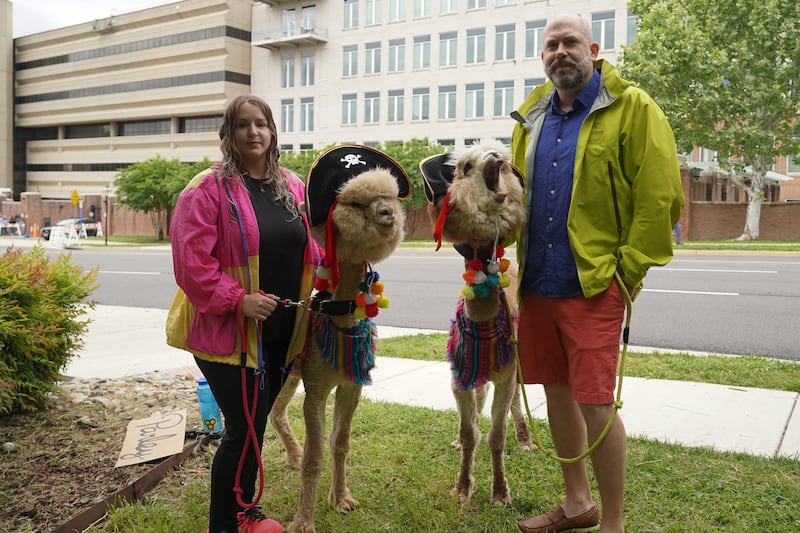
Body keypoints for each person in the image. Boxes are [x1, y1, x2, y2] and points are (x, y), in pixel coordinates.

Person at [510, 14, 684, 533]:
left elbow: (660, 200)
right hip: (537, 282)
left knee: (595, 404)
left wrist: (624, 276)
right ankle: (576, 503)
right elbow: (517, 195)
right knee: (556, 393)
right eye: (550, 45)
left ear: (593, 48)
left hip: (593, 285)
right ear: (543, 55)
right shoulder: (531, 115)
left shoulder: (633, 108)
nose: (560, 52)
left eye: (570, 43)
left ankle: (612, 523)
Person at [168, 95, 321, 533]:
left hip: (280, 331)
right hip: (226, 332)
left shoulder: (292, 186)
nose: (253, 132)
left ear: (272, 132)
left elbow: (311, 246)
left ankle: (243, 513)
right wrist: (239, 299)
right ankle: (225, 524)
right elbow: (191, 264)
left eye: (261, 124)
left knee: (255, 429)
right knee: (242, 429)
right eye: (242, 125)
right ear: (228, 134)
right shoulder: (206, 188)